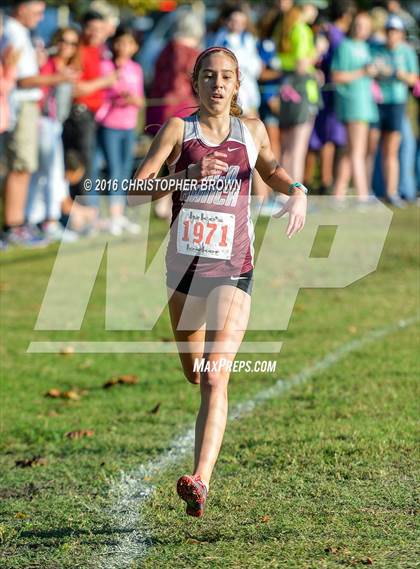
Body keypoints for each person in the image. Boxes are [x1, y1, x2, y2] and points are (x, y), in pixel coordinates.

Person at [128, 46, 308, 517]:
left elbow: (268, 165)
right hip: (183, 271)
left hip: (234, 267)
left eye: (226, 76)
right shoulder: (177, 129)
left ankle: (200, 479)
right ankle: (201, 469)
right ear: (196, 82)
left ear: (237, 83)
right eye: (209, 76)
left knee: (215, 373)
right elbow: (135, 191)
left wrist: (297, 192)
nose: (218, 84)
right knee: (193, 370)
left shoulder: (251, 130)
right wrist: (184, 174)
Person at [2, 0, 77, 246]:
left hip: (27, 107)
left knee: (25, 167)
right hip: (21, 106)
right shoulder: (13, 31)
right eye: (37, 11)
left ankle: (20, 224)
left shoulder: (20, 32)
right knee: (21, 166)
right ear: (21, 8)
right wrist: (58, 77)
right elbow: (21, 80)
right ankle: (14, 226)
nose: (41, 16)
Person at [25, 27, 81, 241]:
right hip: (43, 122)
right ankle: (49, 221)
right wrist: (59, 77)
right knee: (50, 173)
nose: (67, 46)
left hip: (55, 124)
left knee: (45, 173)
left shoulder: (66, 67)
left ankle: (35, 218)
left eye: (73, 43)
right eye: (64, 41)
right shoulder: (47, 64)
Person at [96, 25, 144, 235]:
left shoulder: (136, 68)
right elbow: (105, 91)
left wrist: (133, 100)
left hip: (129, 125)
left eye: (129, 43)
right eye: (121, 42)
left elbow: (140, 98)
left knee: (126, 170)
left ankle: (120, 213)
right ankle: (113, 215)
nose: (124, 47)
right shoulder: (107, 66)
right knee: (114, 169)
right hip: (110, 124)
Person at [369, 14, 418, 207]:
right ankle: (369, 192)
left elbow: (414, 80)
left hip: (396, 104)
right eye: (389, 31)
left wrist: (398, 73)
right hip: (377, 103)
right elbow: (370, 70)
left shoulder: (406, 52)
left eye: (395, 31)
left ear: (401, 34)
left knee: (391, 150)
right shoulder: (376, 49)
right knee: (371, 148)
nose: (392, 35)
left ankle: (392, 192)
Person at [331, 11, 379, 205]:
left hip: (364, 103)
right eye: (358, 25)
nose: (361, 29)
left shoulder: (366, 47)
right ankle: (362, 196)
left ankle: (338, 195)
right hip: (352, 103)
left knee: (351, 151)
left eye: (365, 26)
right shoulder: (345, 46)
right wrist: (363, 72)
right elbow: (337, 76)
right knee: (358, 151)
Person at [275, 0, 325, 182]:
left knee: (288, 147)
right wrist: (318, 52)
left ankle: (282, 193)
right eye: (315, 7)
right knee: (298, 147)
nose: (316, 12)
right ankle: (295, 193)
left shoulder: (287, 26)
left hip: (289, 89)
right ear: (306, 8)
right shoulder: (302, 29)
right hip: (303, 91)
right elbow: (302, 65)